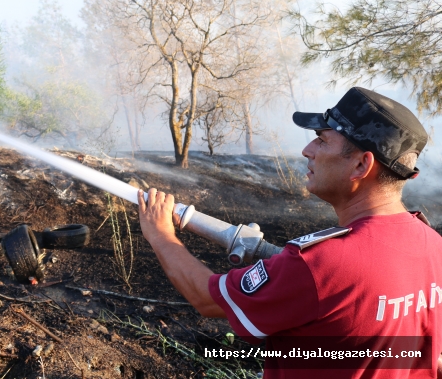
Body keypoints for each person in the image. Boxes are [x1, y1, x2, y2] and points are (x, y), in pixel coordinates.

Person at [137, 87, 442, 378]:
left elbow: (206, 298)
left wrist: (161, 233)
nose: (307, 150)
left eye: (322, 140)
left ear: (362, 164)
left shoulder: (324, 264)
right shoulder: (433, 246)